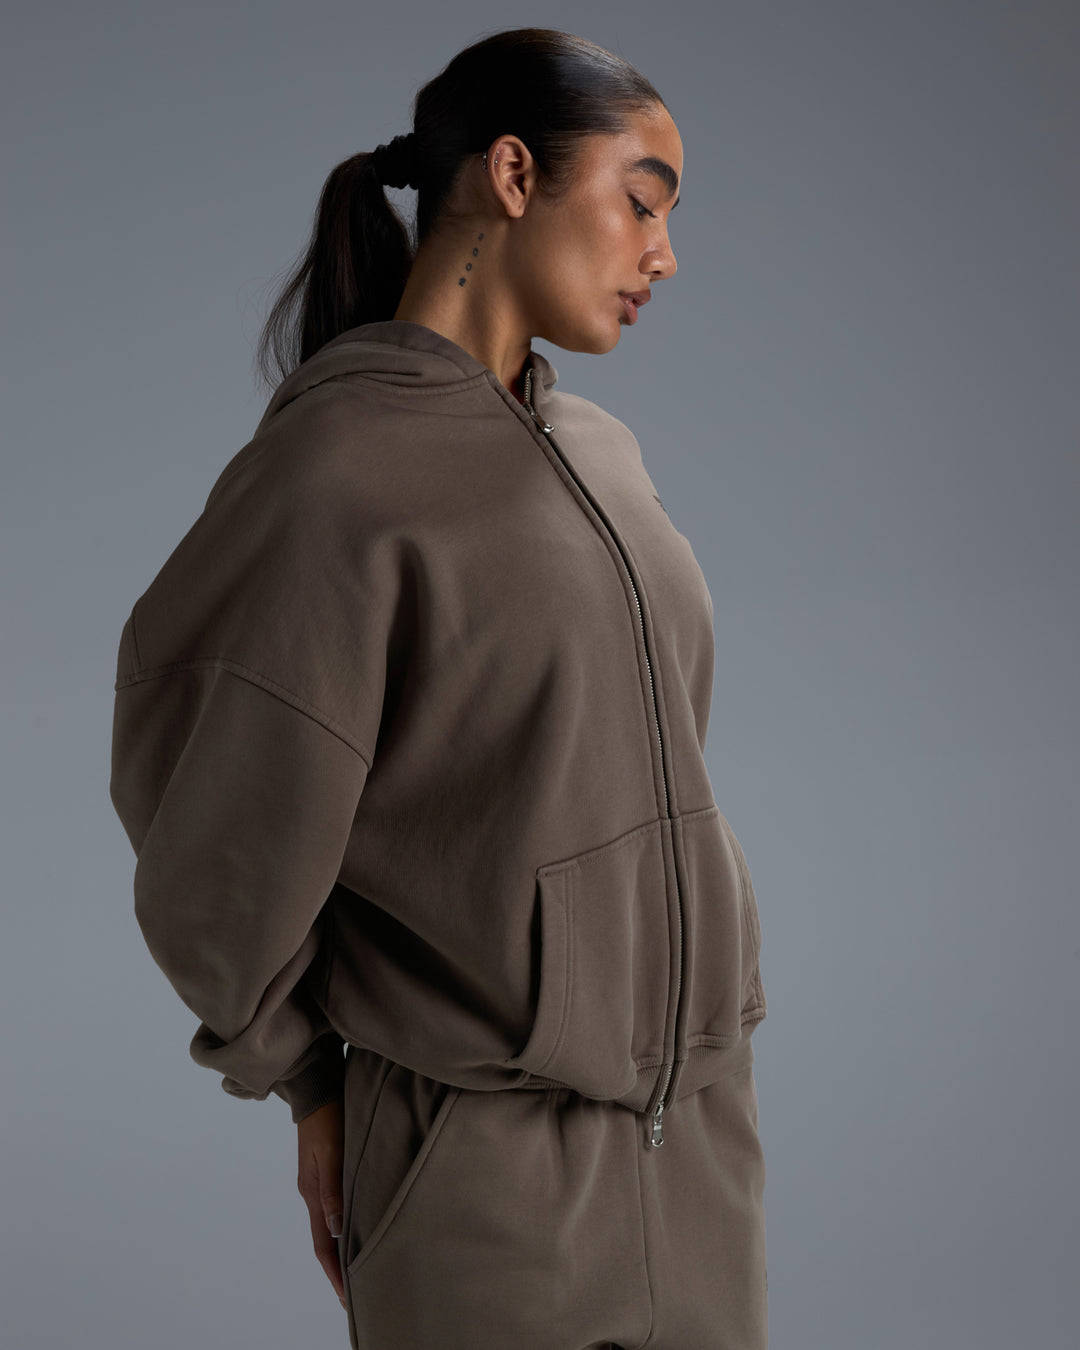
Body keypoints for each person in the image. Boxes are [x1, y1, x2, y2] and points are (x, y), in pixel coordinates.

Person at [109, 26, 768, 1350]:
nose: (665, 254)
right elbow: (213, 833)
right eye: (643, 202)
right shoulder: (334, 478)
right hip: (484, 1177)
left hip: (698, 1146)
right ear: (514, 175)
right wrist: (309, 1084)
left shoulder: (601, 450)